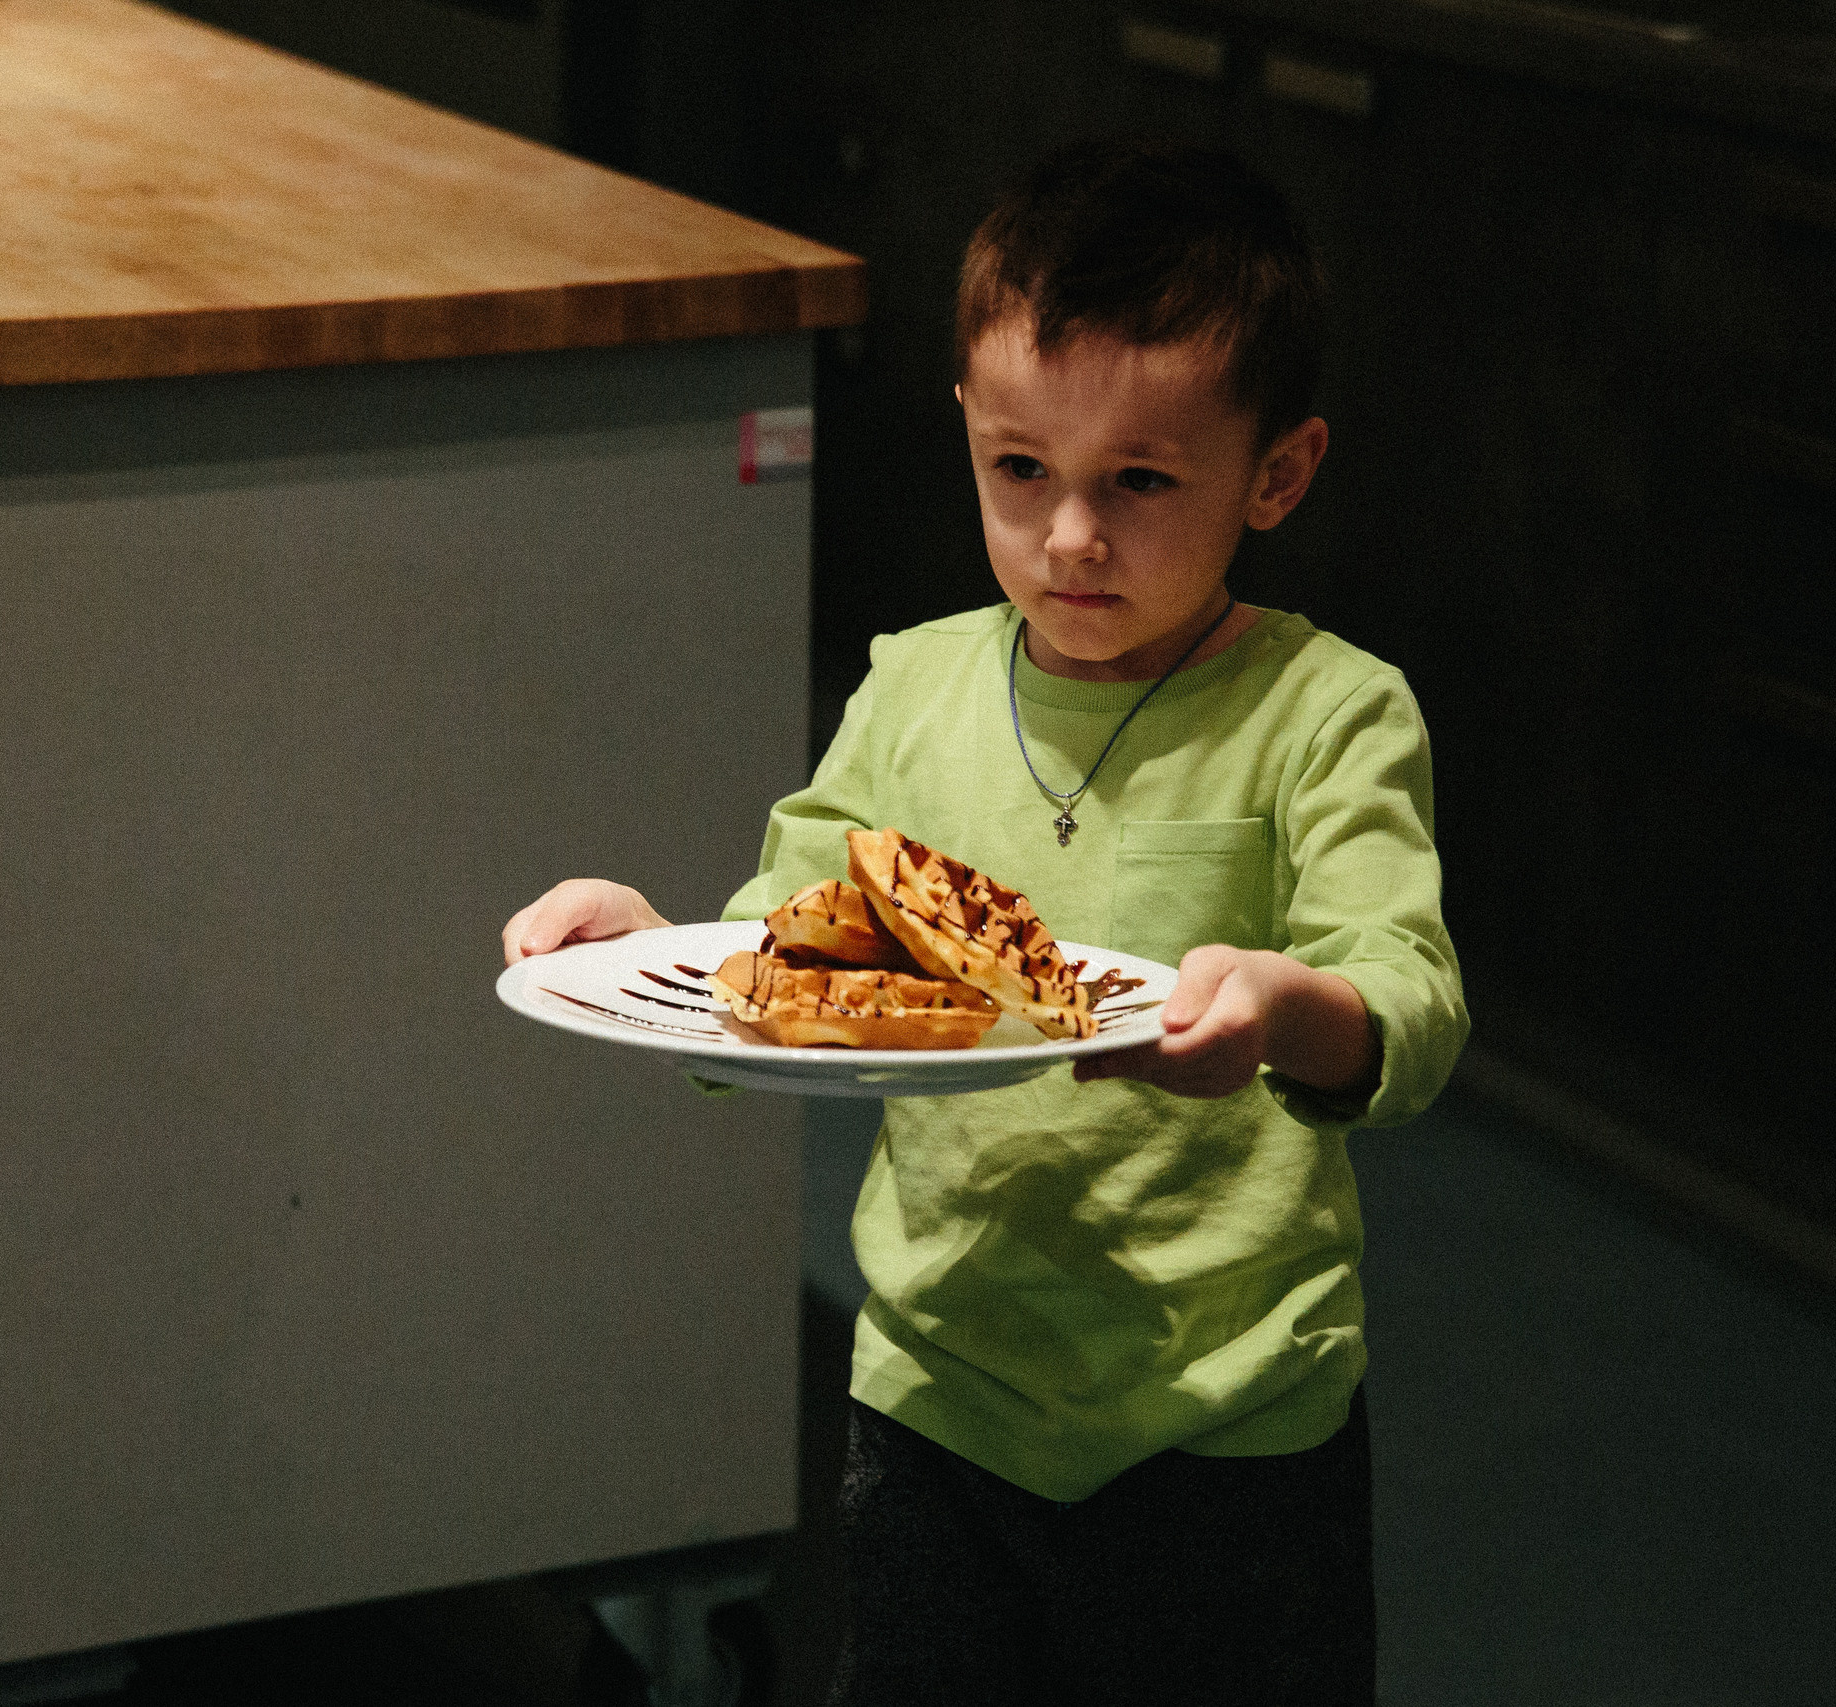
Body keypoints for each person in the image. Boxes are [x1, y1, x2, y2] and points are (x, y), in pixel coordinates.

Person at [503, 139, 1467, 1706]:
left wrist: (1289, 1008)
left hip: (1219, 1414)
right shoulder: (915, 684)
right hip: (941, 1383)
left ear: (1276, 476)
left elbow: (1409, 1002)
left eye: (1140, 481)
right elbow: (798, 936)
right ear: (966, 427)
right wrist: (653, 945)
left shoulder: (1326, 715)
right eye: (1023, 471)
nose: (1070, 538)